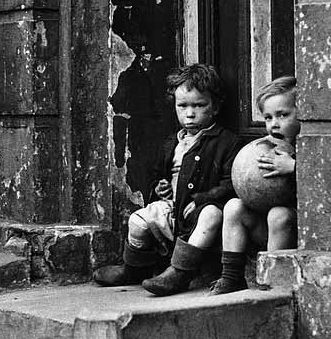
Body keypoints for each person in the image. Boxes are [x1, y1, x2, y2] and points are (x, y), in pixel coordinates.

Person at [93, 63, 241, 296]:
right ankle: (134, 268)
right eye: (182, 106)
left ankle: (180, 272)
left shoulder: (226, 142)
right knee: (138, 221)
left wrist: (203, 199)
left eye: (199, 105)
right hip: (172, 208)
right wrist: (160, 187)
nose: (190, 113)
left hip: (199, 211)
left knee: (211, 215)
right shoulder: (172, 142)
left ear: (215, 107)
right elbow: (159, 174)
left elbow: (231, 183)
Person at [210, 76, 300, 295]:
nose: (274, 124)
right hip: (265, 230)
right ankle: (231, 276)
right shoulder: (263, 147)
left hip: (296, 231)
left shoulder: (313, 143)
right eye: (268, 118)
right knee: (234, 206)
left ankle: (273, 281)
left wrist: (294, 166)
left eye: (283, 115)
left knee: (279, 214)